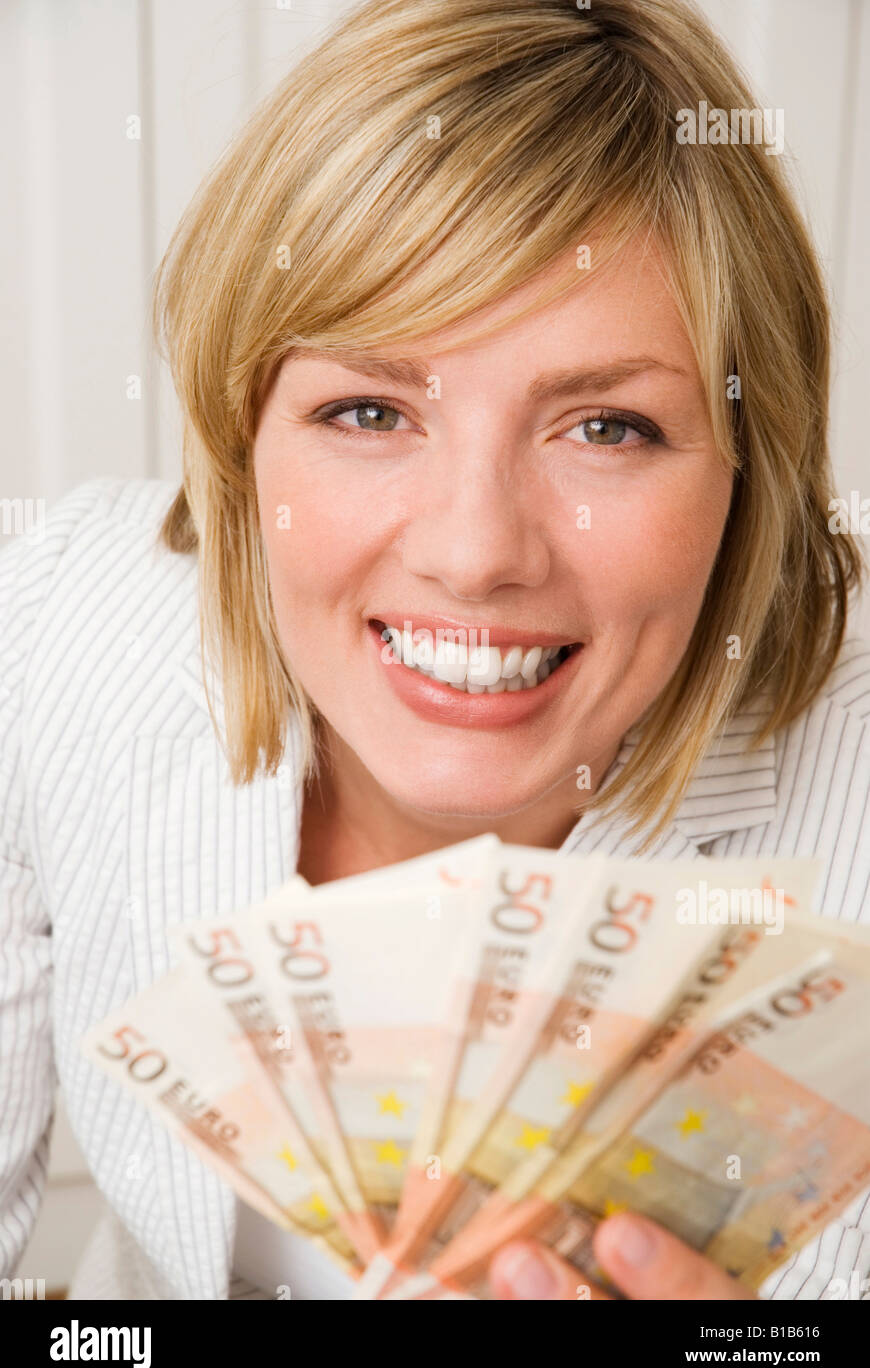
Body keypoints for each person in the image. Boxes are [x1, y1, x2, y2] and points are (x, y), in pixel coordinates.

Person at [1, 0, 868, 1302]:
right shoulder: (53, 626)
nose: (475, 551)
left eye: (607, 428)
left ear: (751, 467)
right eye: (368, 408)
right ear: (243, 440)